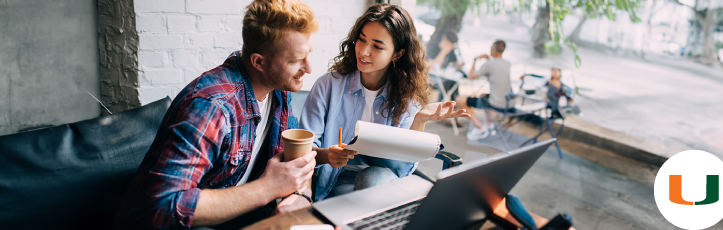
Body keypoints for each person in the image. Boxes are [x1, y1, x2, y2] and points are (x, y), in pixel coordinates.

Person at [115, 0, 319, 229]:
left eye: (308, 53)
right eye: (295, 60)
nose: (309, 68)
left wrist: (302, 196)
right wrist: (267, 188)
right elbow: (164, 206)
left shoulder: (279, 88)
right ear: (259, 62)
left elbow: (296, 160)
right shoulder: (210, 107)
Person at [300, 3, 469, 202]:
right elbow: (303, 148)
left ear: (397, 54)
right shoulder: (328, 86)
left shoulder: (407, 95)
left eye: (377, 46)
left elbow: (403, 169)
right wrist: (326, 155)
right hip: (335, 182)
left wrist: (419, 120)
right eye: (361, 40)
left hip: (384, 183)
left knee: (372, 177)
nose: (363, 52)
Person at [455, 40, 511, 141]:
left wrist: (475, 59)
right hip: (508, 102)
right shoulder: (507, 63)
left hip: (496, 104)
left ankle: (480, 128)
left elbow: (471, 76)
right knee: (484, 96)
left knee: (459, 100)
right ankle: (490, 125)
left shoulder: (489, 64)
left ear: (492, 49)